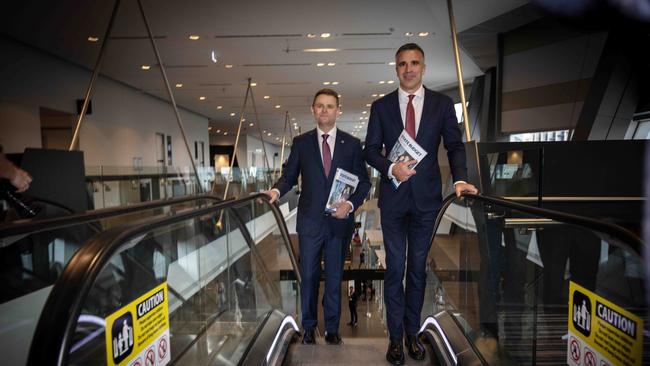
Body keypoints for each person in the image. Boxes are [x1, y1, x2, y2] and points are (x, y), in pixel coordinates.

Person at [363, 43, 478, 365]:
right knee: (395, 269)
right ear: (396, 68)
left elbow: (455, 145)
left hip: (427, 201)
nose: (408, 68)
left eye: (414, 63)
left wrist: (459, 180)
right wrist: (390, 167)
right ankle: (395, 338)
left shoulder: (442, 104)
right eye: (402, 64)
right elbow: (370, 150)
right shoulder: (382, 107)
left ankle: (413, 332)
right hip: (394, 200)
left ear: (423, 67)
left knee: (417, 270)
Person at [263, 88, 370, 345]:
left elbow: (364, 184)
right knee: (309, 277)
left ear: (338, 110)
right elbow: (289, 176)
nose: (324, 110)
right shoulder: (301, 143)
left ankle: (332, 329)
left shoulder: (352, 144)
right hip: (310, 222)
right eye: (319, 105)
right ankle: (309, 327)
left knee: (334, 278)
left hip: (338, 223)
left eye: (330, 106)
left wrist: (351, 205)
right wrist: (276, 191)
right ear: (313, 110)